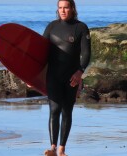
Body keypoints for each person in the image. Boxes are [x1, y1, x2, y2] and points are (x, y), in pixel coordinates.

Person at [43, 0, 91, 155]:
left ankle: (62, 148)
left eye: (66, 7)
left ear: (72, 9)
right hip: (53, 75)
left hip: (72, 77)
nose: (62, 11)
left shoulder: (81, 28)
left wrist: (80, 72)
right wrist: (32, 75)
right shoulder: (52, 27)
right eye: (60, 8)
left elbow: (86, 54)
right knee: (54, 109)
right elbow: (40, 51)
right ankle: (52, 147)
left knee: (67, 110)